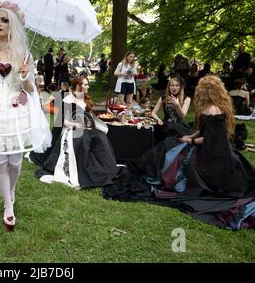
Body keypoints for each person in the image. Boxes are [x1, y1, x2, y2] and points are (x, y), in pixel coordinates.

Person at [103, 76, 255, 229]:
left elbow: (210, 139)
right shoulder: (212, 106)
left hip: (212, 153)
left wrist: (191, 141)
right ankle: (150, 166)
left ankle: (152, 170)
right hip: (209, 145)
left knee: (172, 150)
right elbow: (204, 130)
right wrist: (191, 136)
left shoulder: (212, 109)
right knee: (170, 144)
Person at [0, 1, 51, 232]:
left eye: (4, 20)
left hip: (16, 110)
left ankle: (11, 190)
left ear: (13, 24)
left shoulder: (24, 55)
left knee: (15, 162)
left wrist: (25, 77)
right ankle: (8, 205)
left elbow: (31, 89)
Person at [35, 76, 116, 188]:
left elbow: (87, 116)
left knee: (100, 136)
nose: (88, 86)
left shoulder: (83, 97)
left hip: (84, 128)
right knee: (84, 140)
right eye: (86, 84)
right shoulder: (67, 99)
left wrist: (88, 124)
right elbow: (63, 122)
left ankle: (104, 167)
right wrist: (75, 125)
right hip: (70, 130)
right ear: (78, 86)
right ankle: (83, 167)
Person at [151, 76, 193, 142]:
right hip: (166, 124)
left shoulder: (187, 99)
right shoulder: (163, 98)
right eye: (172, 85)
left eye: (177, 85)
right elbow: (153, 113)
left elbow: (182, 116)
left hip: (179, 125)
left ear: (180, 87)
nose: (174, 88)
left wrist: (177, 104)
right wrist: (158, 119)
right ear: (169, 87)